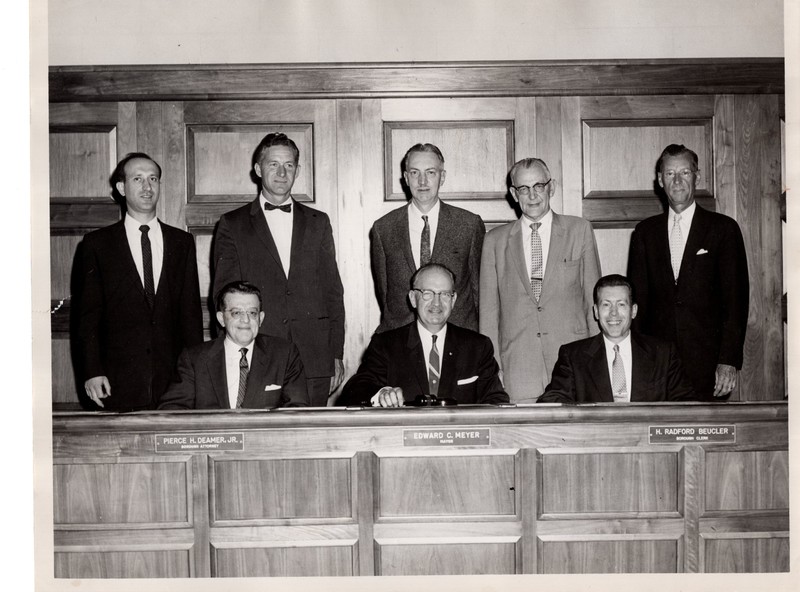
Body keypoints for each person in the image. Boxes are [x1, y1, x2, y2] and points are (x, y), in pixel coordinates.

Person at [212, 132, 345, 406]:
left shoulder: (319, 222)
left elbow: (333, 292)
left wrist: (335, 354)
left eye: (289, 165)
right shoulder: (232, 224)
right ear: (258, 169)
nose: (282, 172)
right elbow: (223, 298)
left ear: (297, 170)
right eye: (273, 164)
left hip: (314, 359)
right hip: (258, 356)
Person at [76, 152, 203, 411]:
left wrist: (196, 375)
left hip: (173, 381)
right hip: (114, 380)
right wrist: (92, 371)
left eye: (153, 179)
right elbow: (87, 317)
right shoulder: (97, 245)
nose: (147, 187)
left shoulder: (182, 242)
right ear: (121, 188)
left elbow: (190, 315)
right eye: (138, 179)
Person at [628, 144, 749, 400]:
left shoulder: (723, 229)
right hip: (657, 367)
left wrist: (728, 360)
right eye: (670, 174)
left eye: (685, 172)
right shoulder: (645, 233)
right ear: (660, 180)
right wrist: (637, 362)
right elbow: (638, 304)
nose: (678, 180)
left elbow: (735, 302)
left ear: (697, 176)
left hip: (709, 367)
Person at [480, 157, 601, 402]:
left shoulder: (579, 230)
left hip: (574, 363)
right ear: (514, 194)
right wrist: (494, 368)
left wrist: (597, 360)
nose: (532, 195)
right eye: (524, 189)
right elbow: (489, 313)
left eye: (539, 186)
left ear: (551, 187)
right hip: (519, 367)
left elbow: (594, 302)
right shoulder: (495, 240)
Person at [337, 263, 509, 407]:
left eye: (444, 294)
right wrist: (381, 394)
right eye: (427, 294)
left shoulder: (477, 347)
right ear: (413, 298)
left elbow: (496, 401)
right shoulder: (386, 345)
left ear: (454, 300)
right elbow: (355, 389)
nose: (436, 302)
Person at [370, 143, 485, 333]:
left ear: (442, 177)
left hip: (459, 337)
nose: (422, 182)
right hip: (402, 338)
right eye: (415, 173)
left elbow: (478, 291)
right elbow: (385, 292)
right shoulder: (384, 229)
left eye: (430, 172)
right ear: (406, 178)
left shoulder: (469, 225)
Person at [538, 275, 697, 404]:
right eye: (606, 305)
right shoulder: (573, 356)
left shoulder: (663, 353)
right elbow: (553, 401)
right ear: (596, 312)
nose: (613, 313)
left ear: (633, 311)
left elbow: (685, 403)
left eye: (621, 304)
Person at [159, 281, 308, 409]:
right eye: (236, 313)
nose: (245, 320)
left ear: (261, 318)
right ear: (221, 319)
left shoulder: (284, 354)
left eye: (252, 313)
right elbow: (172, 411)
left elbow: (296, 411)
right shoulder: (195, 360)